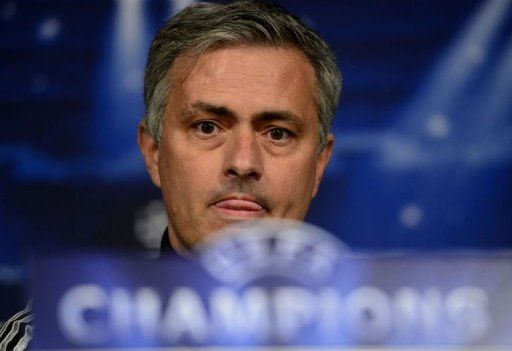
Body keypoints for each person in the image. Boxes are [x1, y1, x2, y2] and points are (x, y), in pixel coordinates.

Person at [0, 0, 341, 348]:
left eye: (278, 133)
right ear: (154, 152)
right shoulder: (50, 338)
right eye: (207, 127)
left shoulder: (387, 332)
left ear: (318, 163)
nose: (243, 162)